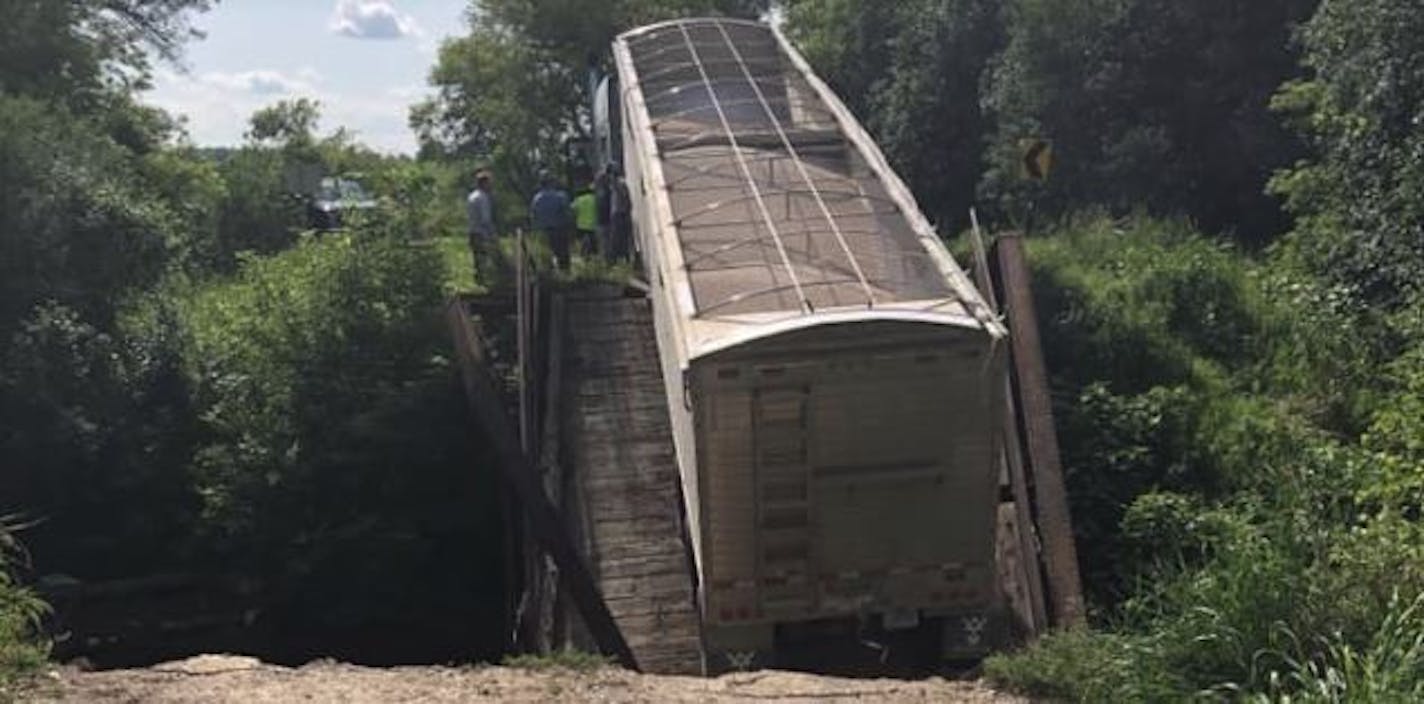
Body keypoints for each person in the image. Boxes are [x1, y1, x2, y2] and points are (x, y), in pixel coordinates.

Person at [529, 170, 573, 272]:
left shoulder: (536, 198)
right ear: (552, 182)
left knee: (546, 257)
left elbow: (533, 216)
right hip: (559, 230)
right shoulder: (561, 196)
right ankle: (565, 276)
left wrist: (535, 230)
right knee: (563, 256)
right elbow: (568, 213)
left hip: (543, 232)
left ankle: (549, 276)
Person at [466, 170, 497, 283]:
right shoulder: (483, 198)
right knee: (484, 257)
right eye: (489, 183)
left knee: (477, 258)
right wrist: (492, 233)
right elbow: (485, 219)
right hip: (481, 232)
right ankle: (485, 280)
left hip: (472, 230)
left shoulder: (471, 196)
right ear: (484, 183)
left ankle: (478, 280)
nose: (491, 185)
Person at [606, 163, 633, 263]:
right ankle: (619, 259)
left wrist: (626, 211)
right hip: (617, 213)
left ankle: (623, 259)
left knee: (620, 238)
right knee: (617, 238)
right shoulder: (615, 185)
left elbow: (625, 198)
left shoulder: (619, 184)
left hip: (620, 214)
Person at [571, 181, 599, 258]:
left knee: (583, 241)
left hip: (581, 225)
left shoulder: (579, 199)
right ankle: (594, 254)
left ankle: (583, 254)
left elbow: (572, 210)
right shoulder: (595, 199)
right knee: (594, 242)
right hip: (594, 225)